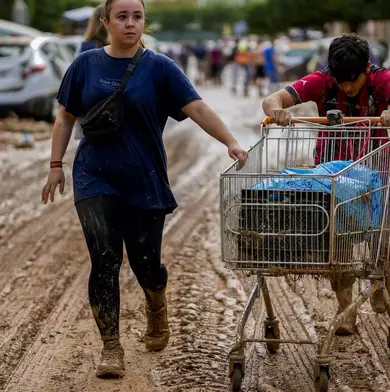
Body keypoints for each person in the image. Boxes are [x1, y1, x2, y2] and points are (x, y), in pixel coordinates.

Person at [41, 0, 248, 379]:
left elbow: (197, 108)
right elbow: (65, 117)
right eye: (122, 16)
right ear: (106, 22)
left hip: (144, 178)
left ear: (143, 22)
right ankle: (111, 347)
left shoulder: (160, 68)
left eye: (136, 16)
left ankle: (156, 302)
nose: (130, 23)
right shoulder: (85, 65)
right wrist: (56, 166)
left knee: (146, 265)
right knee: (104, 260)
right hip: (94, 177)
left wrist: (230, 141)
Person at [262, 33, 390, 335]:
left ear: (366, 69)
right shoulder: (321, 81)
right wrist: (276, 110)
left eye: (353, 81)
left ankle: (380, 276)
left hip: (376, 172)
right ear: (331, 72)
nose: (346, 87)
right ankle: (345, 308)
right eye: (341, 80)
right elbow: (273, 99)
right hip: (332, 173)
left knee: (378, 236)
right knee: (339, 238)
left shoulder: (381, 80)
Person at [74, 6, 111, 140]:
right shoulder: (114, 46)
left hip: (88, 104)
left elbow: (78, 76)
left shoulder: (84, 46)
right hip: (112, 104)